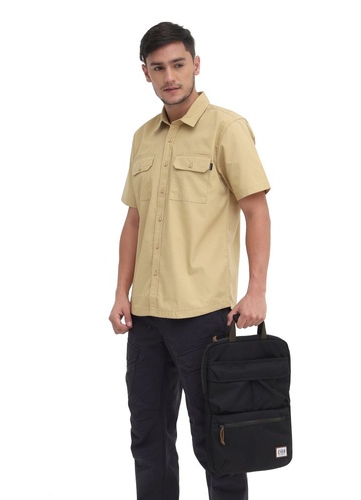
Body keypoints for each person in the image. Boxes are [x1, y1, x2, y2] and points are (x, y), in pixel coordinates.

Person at [109, 21, 271, 500]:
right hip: (146, 319)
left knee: (218, 442)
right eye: (158, 68)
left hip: (204, 318)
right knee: (148, 440)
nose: (170, 76)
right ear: (145, 73)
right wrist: (121, 292)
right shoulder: (143, 138)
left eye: (178, 64)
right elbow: (134, 221)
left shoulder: (227, 128)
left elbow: (256, 211)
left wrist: (257, 291)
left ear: (196, 64)